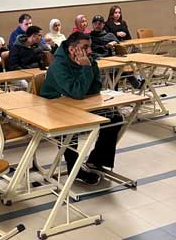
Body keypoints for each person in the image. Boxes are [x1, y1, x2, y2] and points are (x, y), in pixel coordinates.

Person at [40, 32, 123, 185]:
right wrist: (85, 69)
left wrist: (87, 67)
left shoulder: (89, 60)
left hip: (78, 103)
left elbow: (95, 87)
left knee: (115, 118)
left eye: (90, 47)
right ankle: (74, 169)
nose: (89, 51)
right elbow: (77, 92)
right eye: (85, 47)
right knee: (70, 127)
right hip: (53, 106)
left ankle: (96, 160)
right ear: (72, 49)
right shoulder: (58, 66)